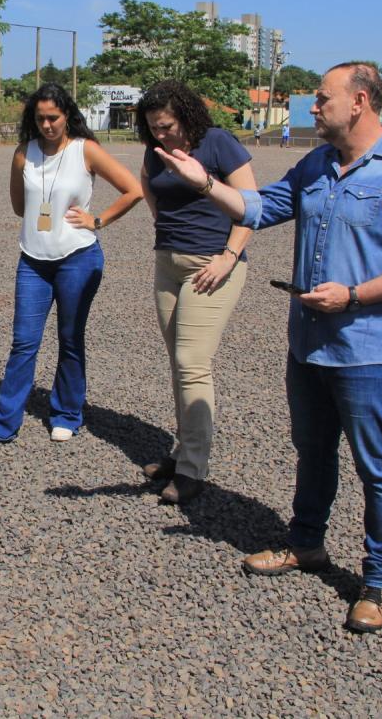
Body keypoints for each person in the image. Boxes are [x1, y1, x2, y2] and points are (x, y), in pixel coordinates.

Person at [152, 63, 382, 633]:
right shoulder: (316, 163)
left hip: (369, 349)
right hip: (308, 345)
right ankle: (306, 544)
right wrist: (204, 184)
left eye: (321, 98)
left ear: (360, 101)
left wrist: (354, 295)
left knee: (377, 466)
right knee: (312, 453)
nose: (312, 108)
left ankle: (381, 579)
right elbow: (261, 208)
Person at [0, 83, 142, 447]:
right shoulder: (23, 153)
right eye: (40, 118)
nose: (47, 125)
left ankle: (66, 413)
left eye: (54, 117)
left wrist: (98, 220)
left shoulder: (86, 150)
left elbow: (133, 189)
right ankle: (2, 423)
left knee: (70, 338)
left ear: (67, 116)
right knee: (23, 342)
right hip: (33, 260)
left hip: (78, 258)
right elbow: (19, 207)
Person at [136, 80, 257, 502]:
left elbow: (250, 204)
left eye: (166, 125)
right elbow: (148, 187)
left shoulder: (219, 143)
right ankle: (182, 450)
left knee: (192, 362)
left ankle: (193, 469)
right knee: (178, 362)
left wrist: (228, 256)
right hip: (168, 264)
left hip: (212, 266)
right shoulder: (155, 153)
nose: (160, 134)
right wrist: (163, 227)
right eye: (153, 128)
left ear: (186, 115)